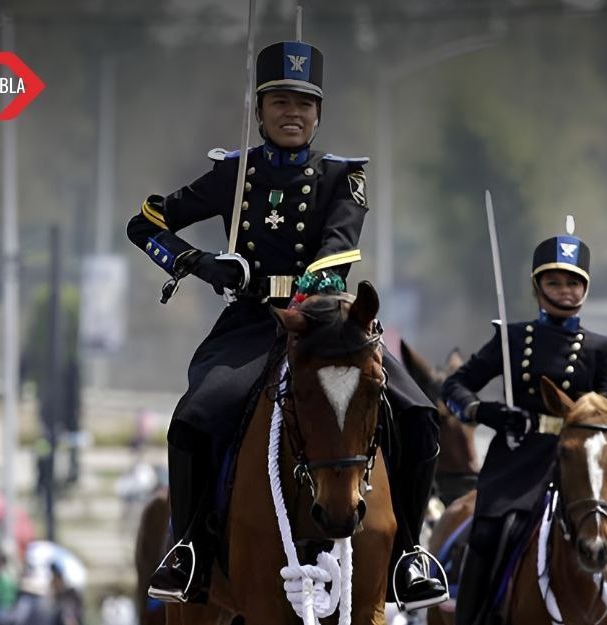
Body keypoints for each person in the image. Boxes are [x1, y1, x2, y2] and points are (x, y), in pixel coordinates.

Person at [126, 38, 447, 609]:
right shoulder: (233, 175)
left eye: (304, 102)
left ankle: (408, 554)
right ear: (260, 109)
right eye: (279, 101)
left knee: (421, 413)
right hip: (251, 324)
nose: (292, 113)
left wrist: (303, 295)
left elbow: (336, 251)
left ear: (318, 113)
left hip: (330, 324)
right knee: (195, 416)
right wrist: (201, 265)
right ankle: (191, 548)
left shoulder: (343, 178)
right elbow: (145, 224)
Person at [442, 230, 607, 625]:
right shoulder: (511, 338)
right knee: (492, 533)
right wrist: (485, 412)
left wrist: (601, 422)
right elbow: (454, 386)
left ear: (585, 288)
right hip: (520, 458)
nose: (565, 290)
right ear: (537, 286)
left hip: (585, 462)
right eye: (554, 282)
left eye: (574, 282)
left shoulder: (601, 348)